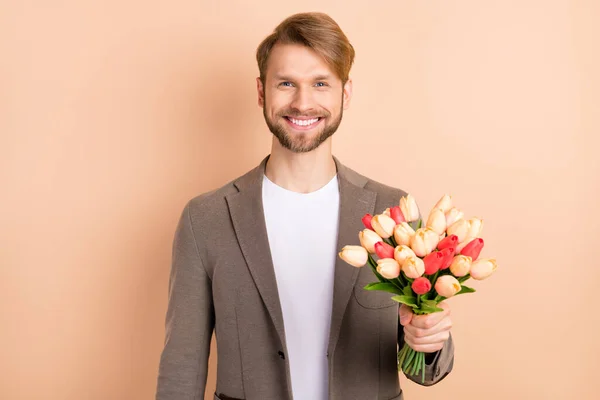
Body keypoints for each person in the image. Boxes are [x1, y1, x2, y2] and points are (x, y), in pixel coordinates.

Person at [156, 12, 454, 400]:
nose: (303, 102)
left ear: (344, 94)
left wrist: (426, 341)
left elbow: (427, 368)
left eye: (319, 83)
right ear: (262, 92)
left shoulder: (392, 210)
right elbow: (182, 365)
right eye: (286, 84)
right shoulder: (205, 218)